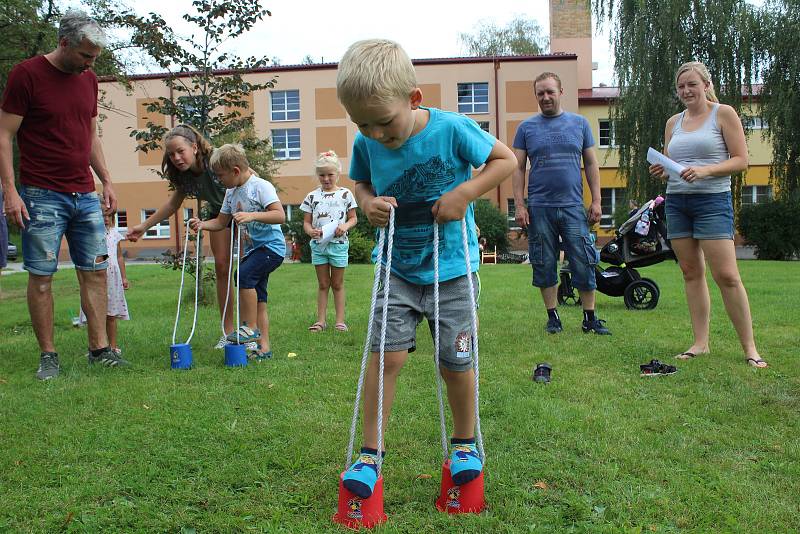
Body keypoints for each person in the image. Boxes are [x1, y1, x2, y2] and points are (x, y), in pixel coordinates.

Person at [336, 39, 516, 499]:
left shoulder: (452, 129)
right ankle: (370, 454)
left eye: (384, 122)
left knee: (455, 361)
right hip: (395, 268)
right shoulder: (365, 141)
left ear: (413, 99)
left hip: (452, 269)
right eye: (363, 124)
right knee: (385, 358)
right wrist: (368, 202)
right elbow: (360, 182)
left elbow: (505, 160)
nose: (375, 134)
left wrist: (464, 194)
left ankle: (464, 444)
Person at [0, 10, 128, 380]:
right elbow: (4, 134)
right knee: (42, 275)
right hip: (41, 194)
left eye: (94, 58)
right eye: (85, 55)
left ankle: (100, 350)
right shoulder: (26, 75)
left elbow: (90, 135)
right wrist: (10, 191)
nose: (90, 64)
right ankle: (48, 356)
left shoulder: (88, 80)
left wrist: (107, 180)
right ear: (63, 43)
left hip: (84, 194)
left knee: (97, 271)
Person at [648, 61, 767, 368]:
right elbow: (673, 164)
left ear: (705, 85)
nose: (686, 90)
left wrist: (705, 171)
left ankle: (750, 349)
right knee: (690, 272)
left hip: (713, 201)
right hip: (677, 203)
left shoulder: (723, 113)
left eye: (692, 84)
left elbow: (741, 161)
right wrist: (662, 170)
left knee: (727, 275)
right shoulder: (673, 122)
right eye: (681, 86)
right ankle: (700, 343)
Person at [512, 72, 611, 336]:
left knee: (584, 260)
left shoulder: (579, 124)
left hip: (572, 206)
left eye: (550, 92)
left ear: (560, 92)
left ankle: (590, 318)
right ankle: (553, 317)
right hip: (539, 207)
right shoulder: (526, 128)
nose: (545, 97)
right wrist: (520, 206)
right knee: (544, 262)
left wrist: (597, 201)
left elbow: (591, 163)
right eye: (540, 93)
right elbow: (518, 168)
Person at [126, 124, 237, 349]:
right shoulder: (185, 177)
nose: (176, 158)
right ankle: (228, 332)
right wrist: (144, 226)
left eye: (180, 151)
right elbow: (172, 205)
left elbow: (248, 174)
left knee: (246, 271)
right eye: (171, 154)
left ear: (194, 147)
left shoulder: (216, 160)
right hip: (219, 214)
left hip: (246, 211)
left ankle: (250, 328)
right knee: (222, 268)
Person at [189, 144, 285, 360]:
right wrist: (202, 224)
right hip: (253, 251)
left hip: (271, 247)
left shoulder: (261, 186)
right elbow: (222, 222)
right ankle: (264, 349)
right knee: (259, 299)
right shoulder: (231, 193)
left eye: (221, 176)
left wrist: (252, 216)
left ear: (235, 171)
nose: (218, 180)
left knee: (242, 275)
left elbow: (279, 216)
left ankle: (249, 327)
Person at [300, 150, 358, 332]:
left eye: (330, 175)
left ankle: (340, 321)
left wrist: (345, 227)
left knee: (338, 284)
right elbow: (306, 223)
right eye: (322, 175)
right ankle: (320, 321)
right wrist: (311, 232)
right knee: (323, 284)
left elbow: (353, 218)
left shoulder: (346, 194)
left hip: (339, 246)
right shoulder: (312, 197)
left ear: (338, 173)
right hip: (319, 247)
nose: (326, 179)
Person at [79, 213, 130, 354]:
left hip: (113, 279)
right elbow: (93, 257)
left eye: (109, 215)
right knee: (94, 314)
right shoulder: (89, 233)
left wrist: (124, 277)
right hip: (96, 278)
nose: (106, 219)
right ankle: (96, 347)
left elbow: (118, 256)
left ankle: (112, 347)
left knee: (111, 314)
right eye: (102, 215)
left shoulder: (115, 234)